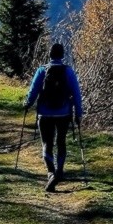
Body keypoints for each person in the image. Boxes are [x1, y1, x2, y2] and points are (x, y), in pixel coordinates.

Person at [24, 42, 84, 192]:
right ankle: (60, 172)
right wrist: (78, 114)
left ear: (49, 55)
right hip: (63, 113)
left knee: (47, 143)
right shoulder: (68, 72)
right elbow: (76, 94)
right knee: (61, 142)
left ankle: (51, 172)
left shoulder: (42, 70)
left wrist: (27, 104)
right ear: (62, 56)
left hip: (44, 113)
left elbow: (33, 91)